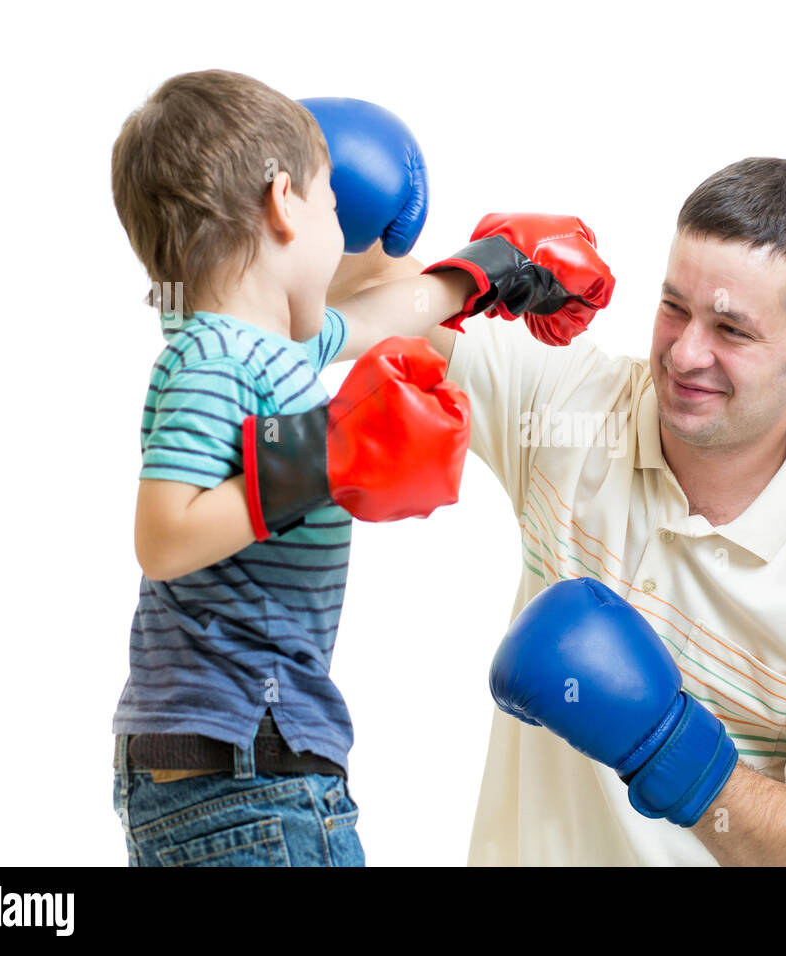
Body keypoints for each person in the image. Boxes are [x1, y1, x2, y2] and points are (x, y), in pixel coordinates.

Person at [351, 157, 786, 866]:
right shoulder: (569, 411)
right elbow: (344, 285)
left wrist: (670, 748)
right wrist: (475, 275)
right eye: (674, 308)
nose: (686, 353)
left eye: (732, 330)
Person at [108, 70, 610, 866]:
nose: (344, 241)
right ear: (283, 203)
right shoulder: (212, 356)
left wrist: (487, 270)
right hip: (244, 772)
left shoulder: (268, 346)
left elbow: (379, 317)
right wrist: (325, 452)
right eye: (333, 211)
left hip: (246, 767)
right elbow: (163, 536)